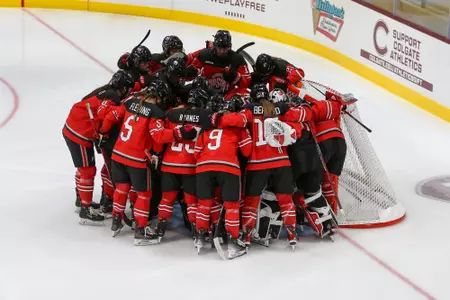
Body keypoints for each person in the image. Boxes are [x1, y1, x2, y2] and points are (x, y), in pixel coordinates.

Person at [99, 80, 198, 245]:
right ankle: (140, 230)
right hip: (136, 160)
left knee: (122, 190)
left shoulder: (130, 102)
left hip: (118, 155)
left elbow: (111, 116)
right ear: (159, 97)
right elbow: (158, 136)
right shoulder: (156, 111)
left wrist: (103, 131)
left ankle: (116, 221)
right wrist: (178, 134)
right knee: (144, 195)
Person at [63, 70, 133, 225]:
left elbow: (85, 102)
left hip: (73, 127)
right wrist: (102, 132)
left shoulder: (105, 90)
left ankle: (81, 198)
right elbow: (103, 114)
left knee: (84, 168)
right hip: (80, 132)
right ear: (123, 88)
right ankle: (85, 209)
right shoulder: (113, 96)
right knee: (87, 170)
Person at [194, 99, 252, 259]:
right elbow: (247, 151)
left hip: (204, 167)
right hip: (229, 168)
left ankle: (200, 235)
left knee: (204, 204)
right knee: (232, 207)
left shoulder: (206, 128)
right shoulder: (238, 126)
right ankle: (233, 241)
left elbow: (196, 152)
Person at [154, 88, 210, 242]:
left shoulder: (172, 113)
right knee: (192, 202)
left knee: (166, 200)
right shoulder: (205, 116)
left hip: (169, 164)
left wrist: (158, 154)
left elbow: (162, 136)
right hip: (190, 165)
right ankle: (196, 231)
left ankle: (160, 228)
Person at [240, 53, 304, 92]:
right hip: (276, 93)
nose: (263, 77)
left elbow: (300, 72)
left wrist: (287, 81)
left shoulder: (282, 65)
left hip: (292, 91)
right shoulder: (262, 69)